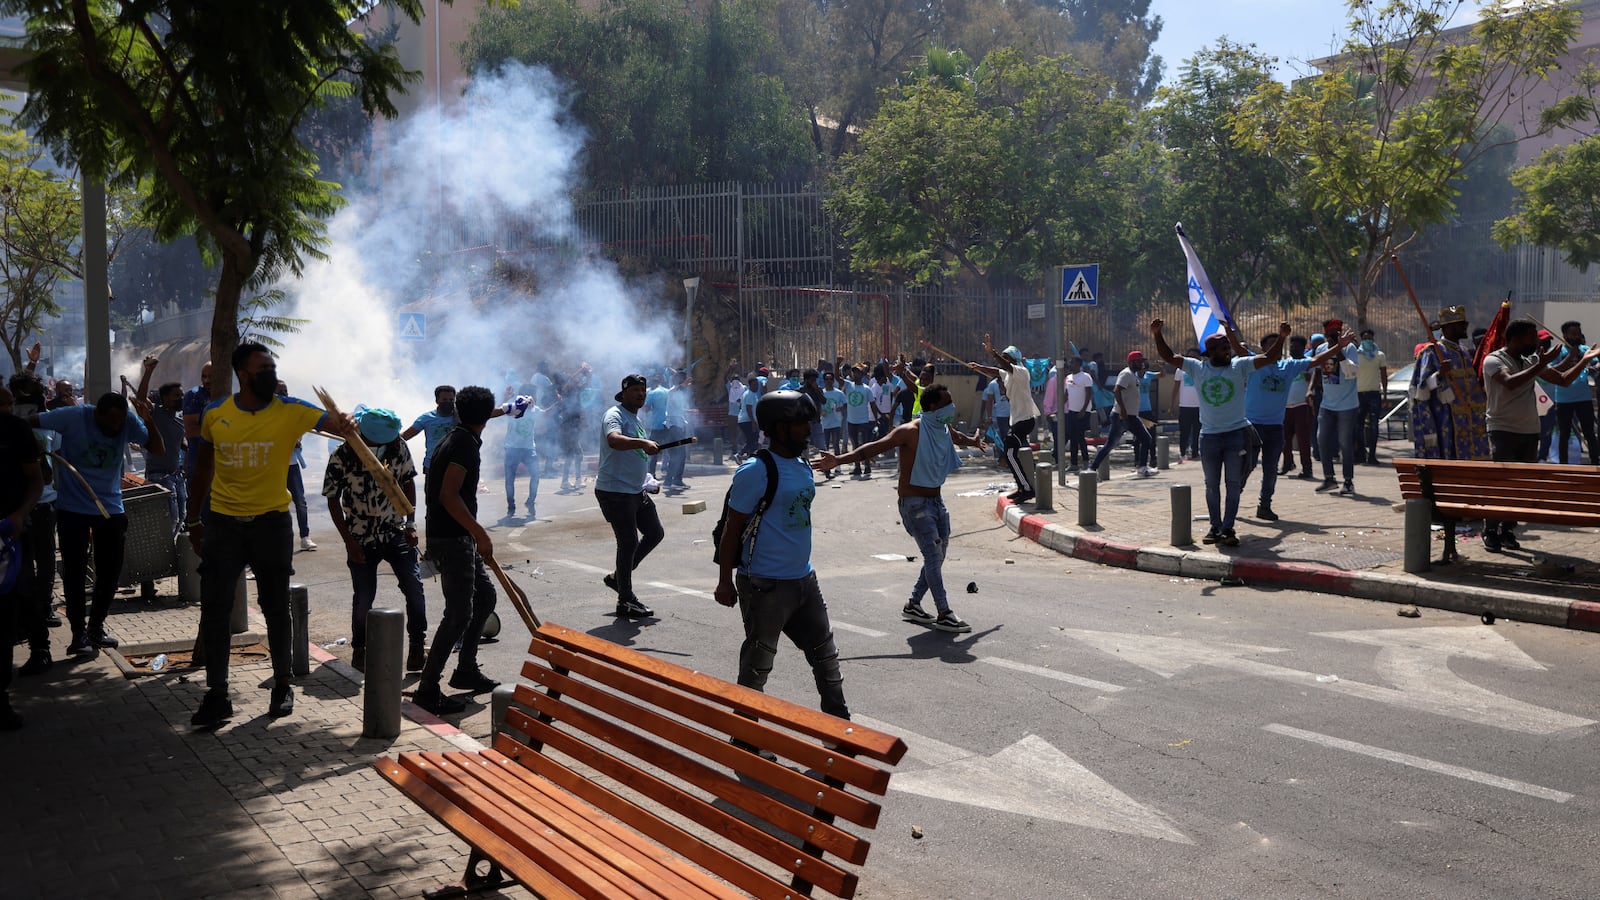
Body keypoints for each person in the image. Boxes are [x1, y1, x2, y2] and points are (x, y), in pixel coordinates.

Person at [186, 343, 353, 727]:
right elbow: (202, 470)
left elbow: (333, 422)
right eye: (264, 368)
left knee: (276, 607)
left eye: (273, 367)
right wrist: (194, 521)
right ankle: (217, 693)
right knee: (215, 609)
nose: (271, 374)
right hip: (224, 525)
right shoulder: (216, 414)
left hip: (272, 524)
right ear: (243, 374)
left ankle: (282, 684)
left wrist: (346, 419)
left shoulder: (292, 410)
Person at [713, 390, 849, 719]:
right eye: (800, 423)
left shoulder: (802, 464)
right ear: (778, 428)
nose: (808, 429)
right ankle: (745, 738)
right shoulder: (756, 470)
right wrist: (724, 582)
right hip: (764, 585)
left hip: (804, 579)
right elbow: (732, 529)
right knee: (757, 666)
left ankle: (841, 739)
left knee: (827, 660)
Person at [814, 383, 986, 632]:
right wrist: (838, 460)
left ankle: (914, 605)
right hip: (914, 504)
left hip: (936, 502)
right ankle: (944, 612)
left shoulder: (942, 427)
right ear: (932, 406)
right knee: (933, 555)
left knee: (937, 557)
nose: (952, 406)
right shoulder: (910, 431)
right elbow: (874, 447)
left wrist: (972, 441)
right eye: (947, 402)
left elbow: (956, 437)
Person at [33, 386, 164, 655]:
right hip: (72, 509)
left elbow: (158, 449)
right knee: (75, 572)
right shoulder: (73, 416)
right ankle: (78, 634)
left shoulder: (128, 422)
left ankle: (96, 628)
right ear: (97, 415)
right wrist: (41, 457)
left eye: (120, 421)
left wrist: (147, 418)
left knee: (110, 573)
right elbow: (29, 424)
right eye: (110, 421)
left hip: (111, 509)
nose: (116, 427)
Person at [414, 385, 501, 715]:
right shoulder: (463, 444)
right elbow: (450, 495)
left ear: (459, 412)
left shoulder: (455, 437)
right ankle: (427, 688)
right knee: (458, 614)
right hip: (453, 538)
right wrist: (480, 533)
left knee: (485, 598)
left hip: (452, 536)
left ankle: (465, 670)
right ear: (486, 416)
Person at [1151, 318, 1276, 546]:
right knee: (1211, 485)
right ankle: (1215, 527)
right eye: (1223, 348)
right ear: (1210, 352)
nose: (1228, 352)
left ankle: (1228, 528)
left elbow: (1269, 358)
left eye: (1228, 347)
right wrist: (1157, 333)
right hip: (1208, 437)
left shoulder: (1239, 366)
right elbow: (1169, 357)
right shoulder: (1197, 368)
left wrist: (1283, 337)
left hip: (1235, 435)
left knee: (1233, 484)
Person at [323, 407, 429, 674]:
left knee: (414, 589)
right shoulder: (344, 454)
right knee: (364, 596)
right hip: (360, 533)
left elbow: (408, 482)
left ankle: (417, 645)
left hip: (395, 530)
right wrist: (349, 541)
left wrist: (411, 523)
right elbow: (332, 498)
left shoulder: (397, 446)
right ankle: (360, 649)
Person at [1480, 320, 1599, 551]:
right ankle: (1490, 529)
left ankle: (1507, 530)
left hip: (1529, 430)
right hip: (1503, 429)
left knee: (1521, 486)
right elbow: (1510, 383)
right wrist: (1540, 364)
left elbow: (1562, 380)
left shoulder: (1530, 360)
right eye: (1531, 338)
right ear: (1514, 339)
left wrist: (1583, 360)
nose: (1535, 342)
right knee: (1502, 484)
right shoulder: (1494, 360)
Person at [1247, 330, 1352, 520]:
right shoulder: (1252, 364)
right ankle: (1233, 499)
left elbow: (1316, 360)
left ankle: (1264, 505)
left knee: (1270, 469)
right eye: (1271, 344)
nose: (1275, 348)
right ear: (1262, 349)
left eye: (1279, 344)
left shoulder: (1288, 366)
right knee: (1247, 466)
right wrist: (1229, 333)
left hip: (1274, 426)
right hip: (1252, 427)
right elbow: (1238, 349)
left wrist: (1339, 347)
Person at [596, 374, 664, 619]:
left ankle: (619, 577)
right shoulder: (614, 415)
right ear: (623, 393)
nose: (640, 394)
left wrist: (646, 480)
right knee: (628, 543)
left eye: (642, 390)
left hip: (634, 491)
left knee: (655, 533)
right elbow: (614, 441)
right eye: (635, 390)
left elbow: (636, 456)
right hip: (615, 492)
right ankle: (625, 600)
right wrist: (643, 442)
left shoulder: (635, 418)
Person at [9, 375, 61, 677]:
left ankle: (40, 633)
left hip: (38, 509)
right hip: (19, 513)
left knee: (37, 568)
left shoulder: (29, 430)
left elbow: (44, 475)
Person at [0, 384, 44, 729]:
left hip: (8, 539)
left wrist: (19, 515)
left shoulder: (16, 431)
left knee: (7, 612)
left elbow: (35, 481)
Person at [1410, 306, 1489, 461]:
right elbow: (1421, 388)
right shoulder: (1432, 351)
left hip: (1471, 415)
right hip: (1447, 416)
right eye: (1462, 324)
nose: (1466, 327)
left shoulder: (1464, 351)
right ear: (1449, 328)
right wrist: (1440, 374)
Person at [965, 335, 1039, 502]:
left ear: (1013, 360)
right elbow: (995, 371)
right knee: (1010, 453)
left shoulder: (1021, 372)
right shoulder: (1008, 374)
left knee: (1010, 452)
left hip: (1026, 420)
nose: (1002, 361)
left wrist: (993, 353)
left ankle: (1027, 489)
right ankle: (1023, 487)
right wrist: (978, 367)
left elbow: (1004, 366)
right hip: (1018, 420)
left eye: (1006, 359)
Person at [1087, 351, 1155, 478]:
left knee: (1146, 439)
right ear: (1131, 362)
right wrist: (1123, 410)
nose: (1141, 363)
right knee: (1110, 444)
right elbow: (1117, 390)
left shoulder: (1133, 375)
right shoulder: (1126, 374)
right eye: (1139, 361)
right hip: (1122, 416)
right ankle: (1092, 468)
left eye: (1142, 361)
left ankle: (1142, 467)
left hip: (1131, 416)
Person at [1314, 326, 1364, 496]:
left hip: (1347, 405)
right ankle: (1329, 478)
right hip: (1327, 403)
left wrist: (1339, 350)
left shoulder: (1350, 348)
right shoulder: (1321, 348)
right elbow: (1317, 367)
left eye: (1335, 337)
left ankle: (1348, 482)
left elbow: (1352, 372)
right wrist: (1311, 389)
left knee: (1345, 443)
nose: (1331, 341)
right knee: (1322, 440)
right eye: (1329, 337)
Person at [275, 381, 317, 551]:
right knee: (274, 504)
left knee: (300, 501)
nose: (284, 394)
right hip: (274, 466)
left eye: (286, 390)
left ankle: (305, 537)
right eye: (280, 391)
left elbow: (300, 431)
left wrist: (297, 440)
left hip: (291, 464)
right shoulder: (267, 414)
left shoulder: (292, 411)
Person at [144, 381, 188, 538]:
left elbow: (181, 442)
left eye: (182, 395)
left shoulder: (179, 418)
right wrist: (148, 372)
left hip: (176, 475)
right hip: (159, 475)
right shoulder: (155, 413)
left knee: (181, 516)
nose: (181, 398)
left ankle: (171, 547)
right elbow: (141, 399)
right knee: (171, 518)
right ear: (165, 398)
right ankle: (165, 551)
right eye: (176, 396)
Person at [1552, 321, 1599, 466]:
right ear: (1565, 335)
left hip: (1583, 398)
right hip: (1563, 399)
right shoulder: (1558, 351)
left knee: (1589, 432)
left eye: (1578, 334)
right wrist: (1570, 356)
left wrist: (1593, 366)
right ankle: (1563, 464)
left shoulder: (1584, 349)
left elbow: (1597, 362)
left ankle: (1595, 462)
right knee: (1564, 433)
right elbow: (1554, 371)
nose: (1576, 336)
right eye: (1573, 334)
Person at [401, 385, 460, 474]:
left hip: (456, 465)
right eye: (444, 400)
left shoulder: (461, 417)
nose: (448, 402)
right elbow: (405, 436)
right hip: (433, 465)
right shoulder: (427, 418)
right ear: (437, 400)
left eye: (451, 400)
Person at [1280, 336, 1315, 479]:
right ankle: (1287, 463)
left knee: (1303, 440)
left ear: (1303, 348)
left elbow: (1315, 379)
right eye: (1292, 346)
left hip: (1302, 405)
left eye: (1297, 347)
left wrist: (1310, 382)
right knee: (1284, 438)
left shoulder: (1308, 364)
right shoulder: (1285, 363)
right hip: (1286, 406)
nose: (1294, 349)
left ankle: (1307, 468)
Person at [501, 388, 539, 519]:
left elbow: (546, 414)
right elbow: (500, 409)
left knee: (536, 474)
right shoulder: (513, 409)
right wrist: (505, 398)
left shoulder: (535, 410)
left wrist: (558, 404)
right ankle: (511, 506)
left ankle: (530, 501)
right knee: (509, 480)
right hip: (512, 448)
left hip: (529, 449)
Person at [1355, 329, 1389, 465]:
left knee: (1374, 426)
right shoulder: (1356, 355)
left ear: (1373, 339)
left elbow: (1384, 375)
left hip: (1374, 394)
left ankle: (1372, 456)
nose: (1367, 340)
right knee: (1358, 426)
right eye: (1365, 338)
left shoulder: (1379, 355)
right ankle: (1362, 454)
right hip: (1359, 394)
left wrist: (1385, 394)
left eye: (1369, 338)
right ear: (1361, 340)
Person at [1060, 357, 1095, 472]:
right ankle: (1073, 463)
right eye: (1071, 363)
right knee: (1072, 437)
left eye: (1073, 363)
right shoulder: (1069, 378)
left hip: (1083, 412)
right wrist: (1059, 407)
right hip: (1072, 411)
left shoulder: (1085, 377)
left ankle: (1086, 461)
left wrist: (1084, 410)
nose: (1071, 365)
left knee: (1080, 437)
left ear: (1079, 364)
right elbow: (1066, 394)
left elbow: (1089, 394)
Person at [662, 369, 692, 493]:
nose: (685, 380)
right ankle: (669, 481)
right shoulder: (673, 390)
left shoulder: (680, 393)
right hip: (673, 427)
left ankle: (676, 479)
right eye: (682, 378)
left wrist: (688, 412)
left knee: (681, 454)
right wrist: (681, 385)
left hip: (679, 425)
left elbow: (679, 409)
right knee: (677, 454)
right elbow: (671, 392)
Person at [843, 367, 876, 478]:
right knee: (855, 445)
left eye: (859, 372)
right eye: (854, 372)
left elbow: (873, 405)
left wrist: (876, 419)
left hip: (863, 421)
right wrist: (838, 364)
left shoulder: (867, 389)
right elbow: (837, 377)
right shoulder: (848, 385)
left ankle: (867, 466)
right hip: (851, 421)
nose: (856, 374)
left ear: (862, 374)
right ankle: (857, 467)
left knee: (865, 444)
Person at [1173, 348, 1202, 460]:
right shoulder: (1180, 370)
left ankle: (1195, 452)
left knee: (1197, 431)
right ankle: (1183, 452)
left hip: (1199, 406)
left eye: (1195, 356)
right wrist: (1172, 404)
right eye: (1190, 356)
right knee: (1184, 431)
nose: (1192, 358)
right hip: (1185, 406)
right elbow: (1175, 388)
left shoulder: (1202, 369)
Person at [642, 372, 670, 478]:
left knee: (653, 450)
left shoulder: (652, 393)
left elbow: (646, 409)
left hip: (655, 425)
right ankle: (668, 473)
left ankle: (651, 474)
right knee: (668, 449)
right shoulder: (667, 391)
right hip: (667, 424)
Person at [820, 371, 847, 460]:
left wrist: (840, 408)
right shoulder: (821, 393)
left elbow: (846, 404)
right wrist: (821, 411)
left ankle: (838, 465)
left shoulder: (839, 393)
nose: (829, 381)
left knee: (836, 444)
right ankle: (825, 465)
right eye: (827, 379)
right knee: (825, 445)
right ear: (824, 380)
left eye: (831, 379)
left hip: (836, 422)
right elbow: (817, 406)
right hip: (825, 423)